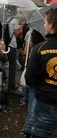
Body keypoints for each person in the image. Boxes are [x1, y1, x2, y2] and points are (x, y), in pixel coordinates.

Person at [24, 8, 57, 138]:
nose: (43, 25)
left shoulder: (39, 48)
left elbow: (29, 79)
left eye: (45, 22)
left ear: (51, 25)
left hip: (43, 103)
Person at [7, 18, 23, 91]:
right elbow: (17, 33)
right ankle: (11, 85)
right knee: (12, 66)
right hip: (12, 44)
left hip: (5, 44)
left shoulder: (6, 19)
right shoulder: (15, 20)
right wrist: (21, 27)